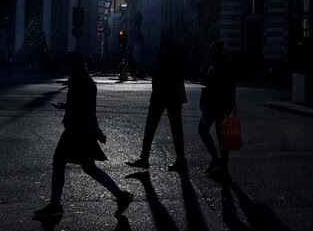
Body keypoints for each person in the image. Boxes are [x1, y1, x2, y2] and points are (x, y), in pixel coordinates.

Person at [34, 51, 133, 218]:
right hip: (84, 131)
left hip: (76, 131)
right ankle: (120, 195)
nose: (65, 68)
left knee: (59, 162)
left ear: (72, 65)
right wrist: (95, 131)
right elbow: (86, 109)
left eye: (66, 65)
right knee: (89, 167)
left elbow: (81, 110)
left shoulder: (78, 82)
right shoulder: (86, 81)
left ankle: (55, 205)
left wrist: (68, 109)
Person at [126, 27, 189, 172]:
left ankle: (145, 159)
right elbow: (183, 71)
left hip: (163, 94)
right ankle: (179, 160)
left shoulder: (168, 50)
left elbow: (161, 71)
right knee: (175, 128)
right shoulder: (176, 50)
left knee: (152, 127)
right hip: (171, 94)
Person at [198, 40, 236, 178]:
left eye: (212, 51)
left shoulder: (222, 65)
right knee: (219, 135)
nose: (210, 54)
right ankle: (219, 162)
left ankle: (219, 162)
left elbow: (229, 86)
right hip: (213, 104)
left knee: (211, 132)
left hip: (217, 105)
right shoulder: (217, 64)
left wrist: (228, 103)